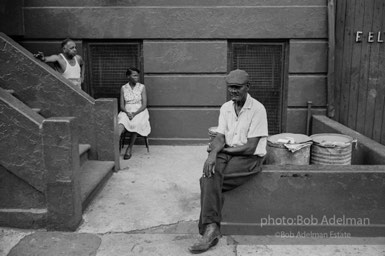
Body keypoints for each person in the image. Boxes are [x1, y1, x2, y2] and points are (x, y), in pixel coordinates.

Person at [188, 69, 268, 254]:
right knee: (209, 173)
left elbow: (250, 147)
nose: (233, 91)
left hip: (249, 157)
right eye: (230, 87)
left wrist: (220, 151)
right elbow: (219, 136)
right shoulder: (226, 108)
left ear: (248, 87)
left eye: (237, 87)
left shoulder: (257, 109)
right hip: (228, 152)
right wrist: (212, 154)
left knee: (206, 181)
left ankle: (209, 230)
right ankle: (212, 228)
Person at [118, 67, 151, 160]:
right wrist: (127, 112)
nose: (137, 77)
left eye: (138, 75)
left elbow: (144, 104)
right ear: (128, 76)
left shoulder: (141, 87)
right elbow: (122, 105)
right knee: (120, 125)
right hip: (126, 110)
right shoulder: (123, 88)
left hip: (140, 111)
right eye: (134, 75)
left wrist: (134, 113)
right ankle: (114, 150)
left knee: (137, 123)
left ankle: (129, 148)